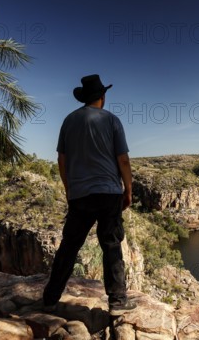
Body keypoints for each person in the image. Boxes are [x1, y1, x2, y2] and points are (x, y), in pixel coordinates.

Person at [43, 74, 136, 316]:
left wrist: (69, 189)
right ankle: (117, 302)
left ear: (84, 98)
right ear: (102, 97)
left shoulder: (68, 121)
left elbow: (61, 161)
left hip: (80, 195)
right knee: (111, 245)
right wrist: (128, 190)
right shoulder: (112, 121)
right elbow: (123, 160)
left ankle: (50, 298)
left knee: (69, 247)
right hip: (108, 193)